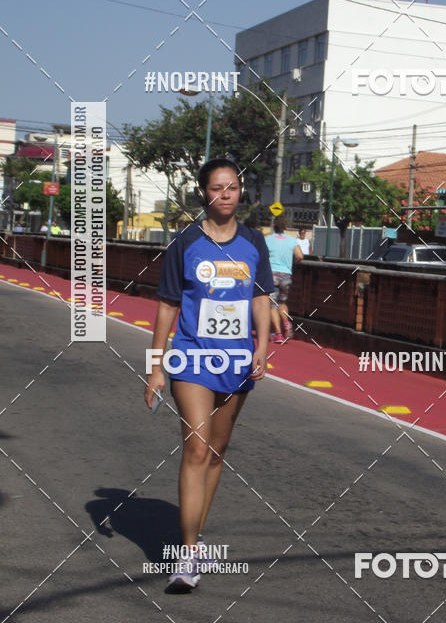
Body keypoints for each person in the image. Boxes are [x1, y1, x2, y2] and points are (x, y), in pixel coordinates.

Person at [145, 157, 273, 592]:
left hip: (235, 363)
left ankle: (195, 540)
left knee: (217, 454)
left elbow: (261, 299)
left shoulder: (254, 241)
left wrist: (262, 347)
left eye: (232, 188)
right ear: (204, 192)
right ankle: (187, 553)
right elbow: (166, 305)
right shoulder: (185, 242)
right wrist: (155, 368)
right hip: (191, 359)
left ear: (240, 193)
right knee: (196, 449)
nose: (224, 194)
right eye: (216, 188)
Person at [265, 217, 303, 343]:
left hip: (272, 275)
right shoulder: (292, 240)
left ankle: (278, 333)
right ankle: (286, 321)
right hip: (286, 275)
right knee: (282, 302)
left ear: (274, 226)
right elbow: (300, 256)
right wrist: (291, 263)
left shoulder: (268, 240)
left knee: (272, 305)